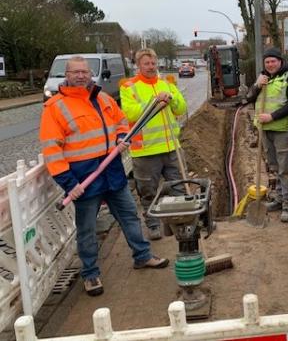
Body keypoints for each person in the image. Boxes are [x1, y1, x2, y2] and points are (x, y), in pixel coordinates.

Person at [39, 56, 169, 297]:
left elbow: (120, 121)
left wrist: (122, 138)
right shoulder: (55, 107)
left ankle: (142, 256)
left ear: (90, 74)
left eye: (84, 72)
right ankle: (90, 274)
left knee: (129, 216)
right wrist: (69, 184)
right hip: (83, 178)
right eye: (75, 72)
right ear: (66, 75)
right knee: (87, 229)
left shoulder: (102, 98)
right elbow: (52, 149)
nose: (80, 76)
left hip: (111, 172)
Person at [120, 48, 187, 240]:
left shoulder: (166, 84)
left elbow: (181, 108)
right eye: (146, 64)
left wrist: (172, 99)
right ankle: (153, 224)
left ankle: (180, 220)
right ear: (138, 65)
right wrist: (153, 101)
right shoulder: (129, 87)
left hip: (171, 147)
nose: (151, 67)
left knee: (179, 187)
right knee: (148, 191)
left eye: (153, 63)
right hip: (146, 151)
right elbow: (130, 113)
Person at [246, 47, 288, 222]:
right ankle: (278, 198)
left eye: (273, 61)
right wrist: (256, 85)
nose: (270, 64)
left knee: (284, 169)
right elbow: (248, 98)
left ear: (280, 61)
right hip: (264, 129)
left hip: (282, 129)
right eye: (267, 62)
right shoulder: (264, 77)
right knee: (273, 167)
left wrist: (272, 116)